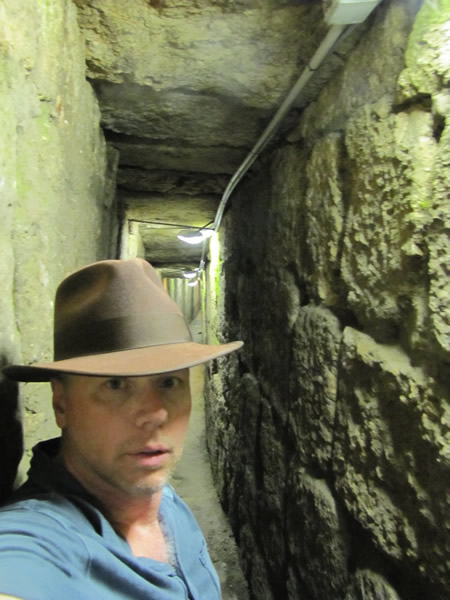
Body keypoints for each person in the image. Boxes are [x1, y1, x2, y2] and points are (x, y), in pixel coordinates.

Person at [0, 257, 242, 600]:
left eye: (169, 382)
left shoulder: (160, 496)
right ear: (61, 403)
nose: (155, 414)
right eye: (115, 385)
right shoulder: (36, 543)